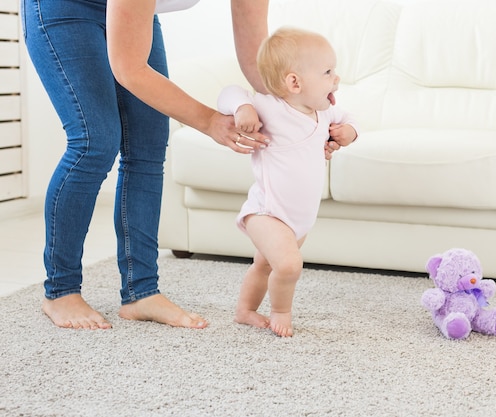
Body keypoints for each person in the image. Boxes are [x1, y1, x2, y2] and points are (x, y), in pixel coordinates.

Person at [21, 0, 321, 330]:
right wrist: (209, 121)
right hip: (66, 7)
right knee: (95, 140)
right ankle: (61, 290)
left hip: (134, 12)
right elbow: (129, 68)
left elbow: (257, 55)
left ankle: (141, 292)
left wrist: (298, 118)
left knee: (148, 144)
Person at [217, 27, 359, 337]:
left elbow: (350, 119)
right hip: (266, 212)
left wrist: (350, 132)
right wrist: (244, 108)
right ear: (294, 82)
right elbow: (228, 92)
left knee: (264, 265)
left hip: (299, 219)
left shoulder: (325, 113)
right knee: (289, 265)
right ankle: (280, 312)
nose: (336, 78)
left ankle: (245, 310)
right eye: (327, 72)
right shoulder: (271, 107)